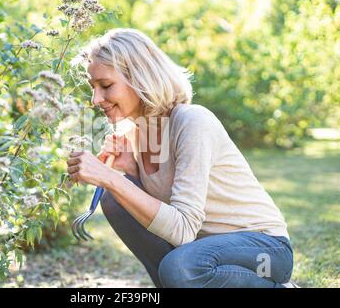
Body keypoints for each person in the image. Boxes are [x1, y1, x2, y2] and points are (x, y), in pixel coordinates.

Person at [66, 28, 296, 288]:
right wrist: (131, 171)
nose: (96, 99)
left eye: (106, 85)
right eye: (92, 87)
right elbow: (165, 213)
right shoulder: (136, 134)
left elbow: (183, 230)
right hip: (204, 252)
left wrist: (109, 178)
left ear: (140, 77)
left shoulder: (192, 121)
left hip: (265, 252)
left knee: (181, 267)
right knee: (116, 202)